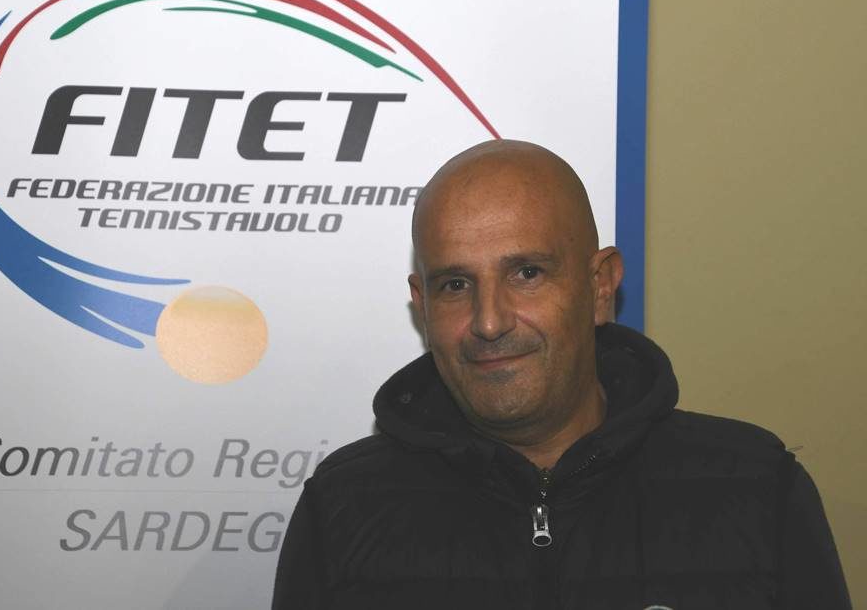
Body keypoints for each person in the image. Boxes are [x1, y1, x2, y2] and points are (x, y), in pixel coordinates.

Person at [271, 140, 850, 610]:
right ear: (422, 305)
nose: (489, 321)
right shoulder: (343, 507)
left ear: (600, 286)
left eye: (526, 273)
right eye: (455, 284)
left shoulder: (758, 488)